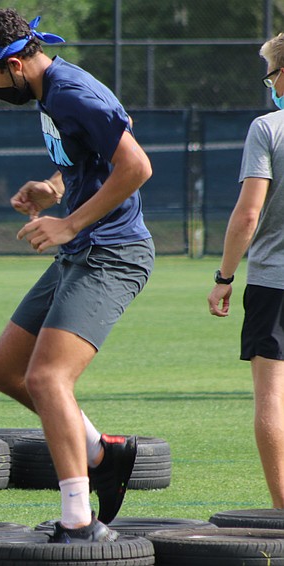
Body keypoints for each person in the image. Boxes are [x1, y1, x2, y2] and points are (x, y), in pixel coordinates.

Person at [0, 9, 155, 542]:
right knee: (4, 368)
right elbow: (92, 163)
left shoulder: (72, 92)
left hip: (114, 252)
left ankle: (78, 519)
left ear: (16, 65)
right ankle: (100, 454)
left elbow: (136, 167)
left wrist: (68, 222)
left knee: (47, 378)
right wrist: (52, 187)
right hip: (81, 249)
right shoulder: (51, 92)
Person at [208, 33, 284, 509]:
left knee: (271, 396)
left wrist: (224, 277)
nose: (270, 85)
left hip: (274, 283)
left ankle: (282, 511)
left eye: (271, 75)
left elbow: (247, 214)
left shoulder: (268, 128)